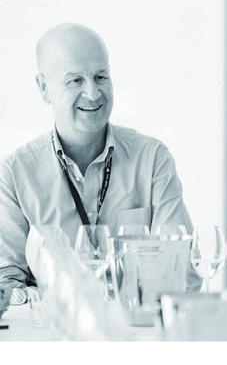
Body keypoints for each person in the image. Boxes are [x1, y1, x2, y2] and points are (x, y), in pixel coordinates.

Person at [0, 23, 202, 303]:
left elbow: (183, 273)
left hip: (136, 327)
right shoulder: (14, 174)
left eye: (100, 76)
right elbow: (7, 285)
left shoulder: (152, 159)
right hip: (55, 328)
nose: (93, 93)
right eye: (75, 80)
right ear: (45, 89)